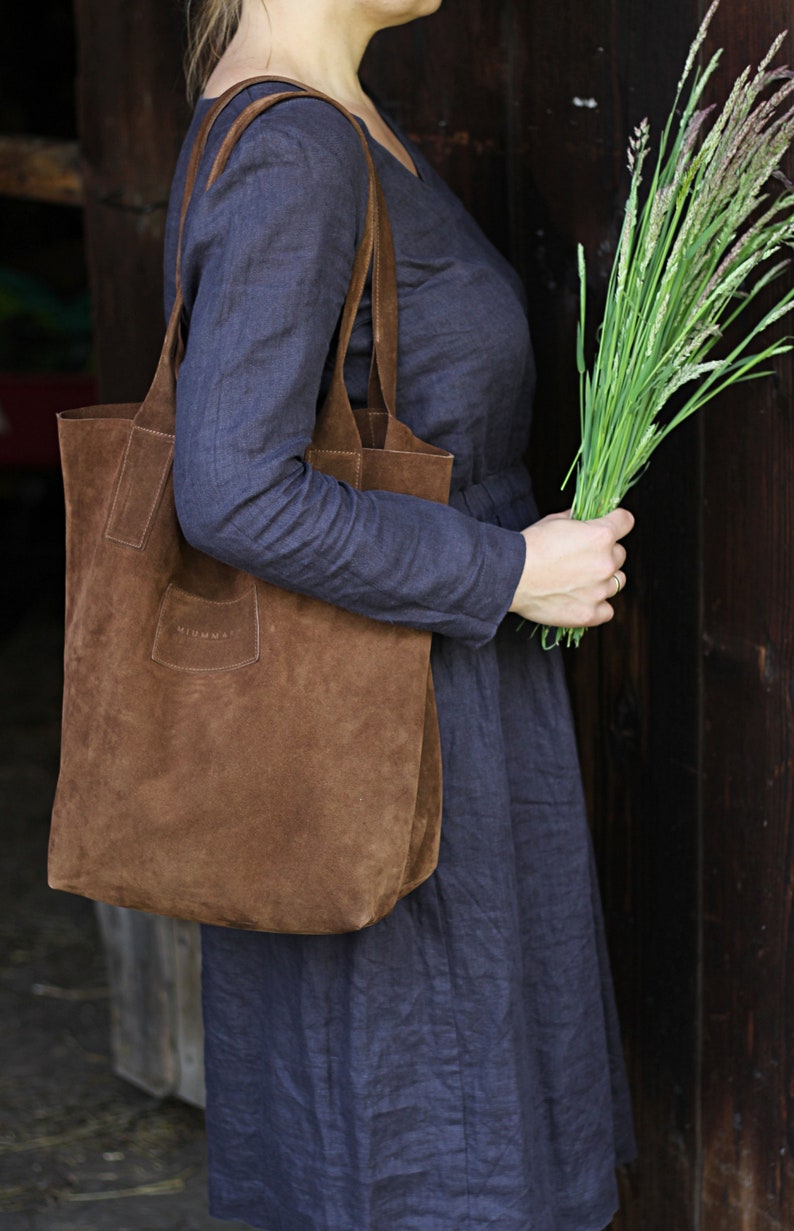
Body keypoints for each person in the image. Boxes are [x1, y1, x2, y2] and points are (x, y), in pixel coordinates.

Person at [164, 0, 638, 1227]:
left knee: (415, 1138)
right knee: (419, 1147)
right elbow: (231, 486)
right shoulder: (294, 150)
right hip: (391, 732)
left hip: (430, 707)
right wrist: (500, 573)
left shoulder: (318, 119)